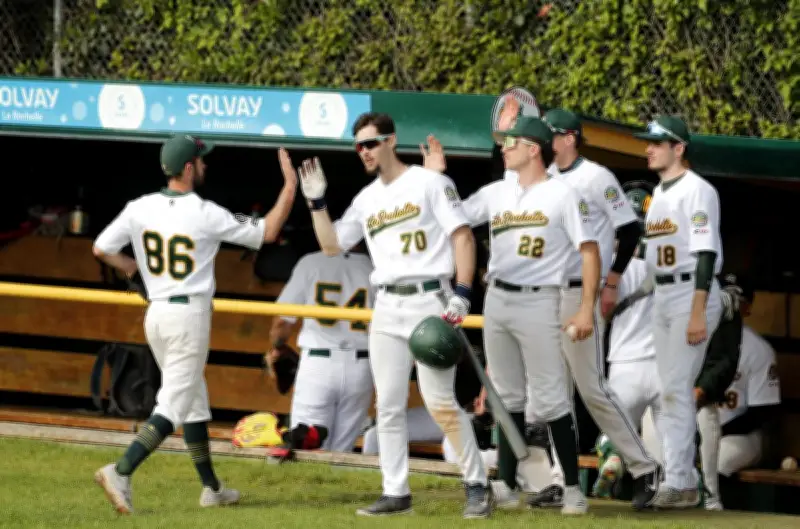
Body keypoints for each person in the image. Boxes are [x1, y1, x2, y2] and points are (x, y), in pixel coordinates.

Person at [281, 112, 492, 519]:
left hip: (429, 298)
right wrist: (317, 202)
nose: (364, 152)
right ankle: (396, 492)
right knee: (389, 406)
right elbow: (330, 245)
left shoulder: (431, 182)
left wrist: (463, 294)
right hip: (387, 305)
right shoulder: (366, 199)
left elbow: (462, 237)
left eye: (371, 143)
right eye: (358, 146)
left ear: (391, 141)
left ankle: (477, 484)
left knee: (440, 402)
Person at [91, 135, 297, 514]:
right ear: (188, 168)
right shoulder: (204, 211)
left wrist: (133, 269)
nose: (204, 166)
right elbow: (267, 232)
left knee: (193, 401)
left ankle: (211, 487)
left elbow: (101, 248)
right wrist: (289, 187)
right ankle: (121, 470)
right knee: (173, 404)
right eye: (200, 161)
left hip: (157, 313)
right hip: (187, 315)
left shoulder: (139, 207)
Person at [521, 109, 661, 512]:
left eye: (552, 136)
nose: (546, 143)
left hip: (581, 293)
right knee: (550, 392)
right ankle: (558, 481)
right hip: (544, 293)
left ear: (570, 138)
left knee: (592, 388)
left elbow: (630, 228)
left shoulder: (596, 176)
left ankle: (644, 467)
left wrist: (613, 280)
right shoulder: (541, 180)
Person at [460, 116, 600, 515]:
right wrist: (437, 178)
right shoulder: (496, 192)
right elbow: (456, 217)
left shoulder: (562, 194)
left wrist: (587, 307)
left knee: (552, 397)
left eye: (512, 142)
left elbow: (589, 251)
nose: (504, 148)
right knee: (506, 396)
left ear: (534, 149)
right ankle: (505, 484)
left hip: (541, 300)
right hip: (497, 299)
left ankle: (572, 488)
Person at [634, 115, 724, 508]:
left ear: (679, 148)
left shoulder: (698, 190)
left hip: (692, 291)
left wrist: (698, 310)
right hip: (665, 295)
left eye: (657, 142)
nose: (648, 148)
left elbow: (705, 253)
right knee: (668, 389)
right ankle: (680, 478)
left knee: (674, 390)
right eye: (649, 142)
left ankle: (681, 481)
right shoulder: (657, 195)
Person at [266, 246, 375, 454]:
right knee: (342, 452)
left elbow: (282, 322)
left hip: (318, 364)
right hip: (361, 367)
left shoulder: (312, 262)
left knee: (306, 445)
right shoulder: (373, 266)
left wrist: (277, 347)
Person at [695, 278, 781, 510]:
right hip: (700, 430)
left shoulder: (758, 349)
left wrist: (717, 433)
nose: (729, 304)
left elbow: (763, 413)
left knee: (720, 457)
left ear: (748, 307)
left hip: (742, 437)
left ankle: (717, 509)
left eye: (737, 299)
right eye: (724, 296)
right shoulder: (698, 335)